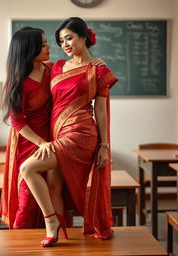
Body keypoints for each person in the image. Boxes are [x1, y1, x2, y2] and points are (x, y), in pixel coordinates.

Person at [19, 17, 118, 247]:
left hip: (81, 134)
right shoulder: (56, 67)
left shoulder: (99, 70)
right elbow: (28, 64)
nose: (64, 44)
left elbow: (101, 110)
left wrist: (104, 146)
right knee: (55, 185)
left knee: (28, 168)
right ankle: (57, 234)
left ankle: (50, 223)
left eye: (69, 38)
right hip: (57, 133)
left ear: (84, 36)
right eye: (61, 40)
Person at [0, 26, 103, 230]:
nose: (49, 47)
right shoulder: (17, 81)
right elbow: (17, 122)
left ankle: (57, 236)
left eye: (47, 42)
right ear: (30, 48)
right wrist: (41, 143)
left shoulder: (53, 69)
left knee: (57, 189)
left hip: (56, 138)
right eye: (43, 43)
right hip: (29, 141)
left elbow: (79, 76)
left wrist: (97, 64)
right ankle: (22, 247)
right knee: (28, 199)